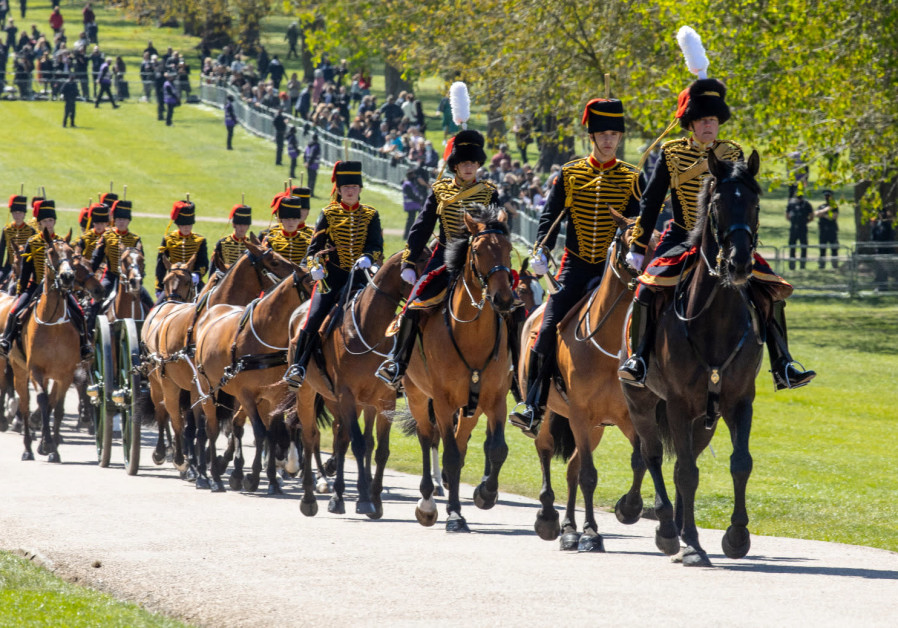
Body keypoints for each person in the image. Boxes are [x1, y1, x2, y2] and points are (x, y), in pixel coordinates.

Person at [619, 77, 815, 392]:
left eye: (712, 120)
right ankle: (639, 359)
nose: (709, 126)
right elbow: (651, 202)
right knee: (646, 290)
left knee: (770, 289)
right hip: (682, 237)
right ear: (690, 124)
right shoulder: (671, 154)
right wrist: (640, 245)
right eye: (702, 120)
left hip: (725, 241)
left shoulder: (732, 152)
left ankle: (784, 363)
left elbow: (743, 202)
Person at [507, 99, 643, 436]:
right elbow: (549, 220)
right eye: (602, 134)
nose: (609, 139)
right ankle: (534, 404)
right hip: (576, 266)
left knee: (652, 322)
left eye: (614, 134)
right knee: (546, 328)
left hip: (617, 269)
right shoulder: (569, 174)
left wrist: (637, 251)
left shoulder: (631, 178)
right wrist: (541, 251)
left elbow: (638, 222)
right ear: (591, 136)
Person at [374, 129, 499, 390]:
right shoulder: (440, 190)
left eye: (473, 163)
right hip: (444, 257)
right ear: (455, 165)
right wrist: (408, 261)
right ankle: (397, 361)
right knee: (413, 305)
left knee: (511, 305)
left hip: (479, 259)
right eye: (464, 163)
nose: (468, 167)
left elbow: (495, 231)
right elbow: (422, 226)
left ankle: (510, 367)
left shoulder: (489, 192)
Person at [283, 162, 383, 388]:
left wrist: (368, 256)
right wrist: (315, 267)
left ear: (360, 189)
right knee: (312, 318)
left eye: (354, 187)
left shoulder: (370, 214)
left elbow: (377, 245)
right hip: (332, 279)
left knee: (385, 311)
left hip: (361, 277)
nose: (350, 191)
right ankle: (298, 366)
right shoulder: (328, 213)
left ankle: (391, 365)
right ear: (338, 190)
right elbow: (313, 249)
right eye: (346, 187)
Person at [0, 199, 92, 360]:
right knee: (15, 312)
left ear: (54, 221)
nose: (48, 224)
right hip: (36, 285)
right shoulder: (33, 242)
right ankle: (6, 340)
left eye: (50, 220)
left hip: (59, 288)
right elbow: (26, 271)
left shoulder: (62, 243)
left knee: (79, 312)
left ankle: (84, 345)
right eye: (44, 221)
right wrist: (21, 291)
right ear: (39, 223)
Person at [89, 199, 153, 320]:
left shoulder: (135, 239)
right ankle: (90, 332)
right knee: (95, 303)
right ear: (114, 220)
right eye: (118, 219)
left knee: (149, 303)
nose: (121, 222)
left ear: (128, 221)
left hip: (131, 279)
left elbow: (141, 263)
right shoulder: (107, 237)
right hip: (111, 276)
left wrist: (138, 278)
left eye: (124, 219)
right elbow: (96, 259)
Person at [154, 200, 208, 296]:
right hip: (172, 279)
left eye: (189, 225)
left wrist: (197, 275)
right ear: (178, 225)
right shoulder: (168, 239)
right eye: (183, 225)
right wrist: (159, 287)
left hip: (193, 280)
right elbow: (161, 265)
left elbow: (203, 262)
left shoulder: (200, 240)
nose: (187, 228)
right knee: (156, 307)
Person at [262, 188, 313, 266]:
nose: (291, 223)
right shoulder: (271, 241)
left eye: (294, 219)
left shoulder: (307, 242)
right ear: (281, 220)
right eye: (287, 219)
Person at [0, 194, 37, 293]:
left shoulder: (31, 231)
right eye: (15, 212)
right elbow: (1, 251)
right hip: (9, 266)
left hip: (26, 267)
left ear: (24, 214)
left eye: (20, 212)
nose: (17, 215)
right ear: (12, 214)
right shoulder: (6, 230)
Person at [211, 203, 252, 274]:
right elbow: (214, 267)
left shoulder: (252, 244)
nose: (242, 228)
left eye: (245, 225)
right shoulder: (223, 243)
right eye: (239, 224)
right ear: (234, 225)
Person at [785, 193, 813, 270]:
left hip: (803, 228)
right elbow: (787, 215)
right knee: (792, 246)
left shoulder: (806, 204)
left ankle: (802, 265)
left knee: (803, 246)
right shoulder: (791, 203)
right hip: (793, 228)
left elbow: (811, 216)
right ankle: (792, 265)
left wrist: (804, 222)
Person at [815, 189, 839, 269]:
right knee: (822, 249)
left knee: (834, 249)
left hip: (832, 230)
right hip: (823, 230)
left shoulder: (834, 207)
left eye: (828, 196)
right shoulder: (822, 206)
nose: (827, 197)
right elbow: (816, 214)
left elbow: (833, 217)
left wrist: (823, 214)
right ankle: (822, 265)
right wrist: (825, 211)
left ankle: (834, 265)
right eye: (826, 196)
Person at [400, 167, 426, 238]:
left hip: (414, 205)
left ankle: (409, 234)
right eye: (412, 174)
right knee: (412, 220)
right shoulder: (407, 184)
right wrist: (419, 200)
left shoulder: (410, 183)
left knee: (413, 220)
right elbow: (411, 195)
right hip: (412, 205)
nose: (414, 176)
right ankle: (407, 235)